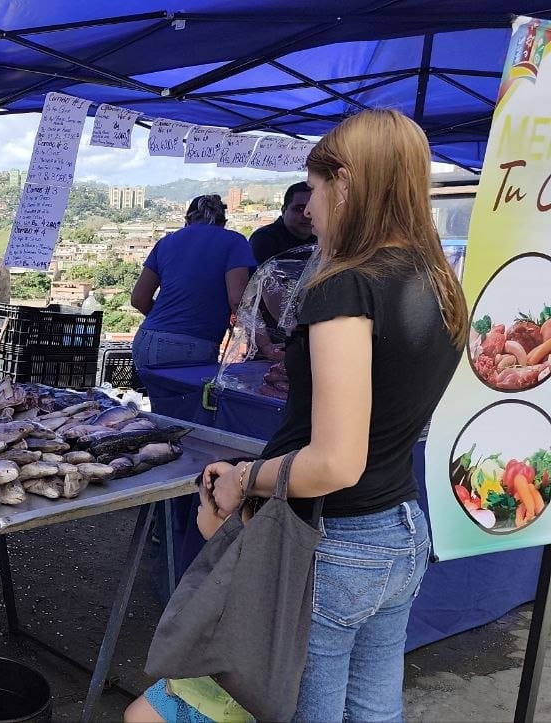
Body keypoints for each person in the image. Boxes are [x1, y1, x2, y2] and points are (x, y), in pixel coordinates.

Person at [203, 109, 467, 721]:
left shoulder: (346, 286)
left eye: (315, 188)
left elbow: (335, 463)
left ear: (344, 183)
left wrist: (244, 478)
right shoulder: (437, 279)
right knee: (374, 711)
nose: (311, 208)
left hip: (337, 539)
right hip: (401, 528)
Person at [124, 481, 254, 723]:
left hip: (219, 700)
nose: (197, 511)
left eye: (202, 506)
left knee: (138, 716)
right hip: (195, 683)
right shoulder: (234, 562)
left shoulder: (228, 579)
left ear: (228, 522)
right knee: (136, 715)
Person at [129, 194, 256, 371]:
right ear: (223, 222)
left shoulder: (166, 242)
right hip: (192, 343)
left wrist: (169, 323)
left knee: (154, 390)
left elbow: (138, 299)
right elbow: (237, 301)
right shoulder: (235, 241)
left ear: (187, 220)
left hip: (146, 338)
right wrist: (265, 344)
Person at [248, 181, 315, 264]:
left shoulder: (322, 238)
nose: (307, 215)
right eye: (300, 209)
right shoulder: (265, 239)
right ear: (283, 211)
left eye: (314, 209)